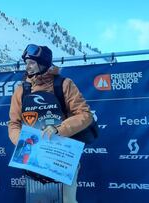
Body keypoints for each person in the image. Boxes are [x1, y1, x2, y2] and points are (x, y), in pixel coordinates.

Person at [8, 44, 93, 203]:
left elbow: (85, 115)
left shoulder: (63, 84)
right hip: (34, 156)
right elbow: (14, 123)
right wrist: (22, 142)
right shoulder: (22, 90)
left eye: (32, 62)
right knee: (37, 199)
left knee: (67, 200)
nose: (28, 66)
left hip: (63, 154)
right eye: (26, 62)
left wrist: (59, 129)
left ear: (43, 63)